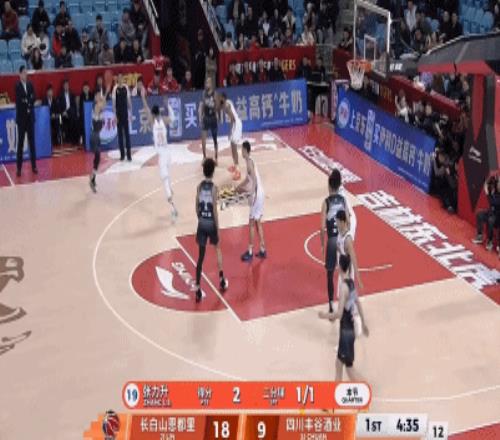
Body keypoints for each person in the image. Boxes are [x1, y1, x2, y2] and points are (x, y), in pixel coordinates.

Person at [319, 254, 369, 381]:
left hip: (346, 331)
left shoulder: (344, 288)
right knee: (340, 365)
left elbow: (339, 314)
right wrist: (363, 324)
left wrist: (324, 316)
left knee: (349, 369)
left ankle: (364, 387)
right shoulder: (351, 283)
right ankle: (342, 391)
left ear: (340, 267)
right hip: (350, 329)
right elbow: (358, 303)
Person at [139, 89, 179, 220]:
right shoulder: (164, 120)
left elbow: (146, 108)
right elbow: (173, 118)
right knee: (167, 178)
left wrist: (143, 98)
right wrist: (168, 105)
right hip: (168, 153)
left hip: (162, 156)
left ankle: (173, 209)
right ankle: (170, 192)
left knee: (165, 181)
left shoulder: (153, 122)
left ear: (152, 113)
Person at [194, 158, 229, 302]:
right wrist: (217, 227)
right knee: (217, 248)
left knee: (200, 257)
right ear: (213, 172)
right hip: (212, 223)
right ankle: (221, 279)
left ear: (203, 172)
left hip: (202, 223)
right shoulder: (214, 188)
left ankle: (197, 287)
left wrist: (200, 219)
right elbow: (214, 209)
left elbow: (196, 207)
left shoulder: (199, 187)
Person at [320, 169, 349, 314]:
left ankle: (331, 304)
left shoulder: (326, 203)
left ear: (329, 186)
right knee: (345, 274)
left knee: (330, 274)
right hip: (342, 241)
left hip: (332, 241)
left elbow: (322, 227)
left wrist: (321, 244)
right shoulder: (343, 200)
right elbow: (348, 222)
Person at [237, 141, 267, 261]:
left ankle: (250, 252)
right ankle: (263, 250)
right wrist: (239, 187)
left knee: (251, 223)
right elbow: (247, 179)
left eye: (242, 150)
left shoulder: (249, 163)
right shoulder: (251, 161)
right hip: (260, 193)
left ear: (245, 150)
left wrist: (251, 193)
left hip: (256, 194)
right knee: (258, 222)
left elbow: (253, 179)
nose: (241, 152)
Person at [15, 66, 37, 176]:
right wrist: (28, 101)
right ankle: (19, 168)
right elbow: (20, 100)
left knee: (32, 142)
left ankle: (34, 166)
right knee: (20, 143)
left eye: (26, 73)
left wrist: (28, 101)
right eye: (23, 73)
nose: (25, 75)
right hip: (22, 119)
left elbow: (34, 96)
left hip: (30, 118)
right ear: (20, 74)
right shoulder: (17, 86)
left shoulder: (30, 84)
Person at [472, 176, 500, 251]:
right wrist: (487, 184)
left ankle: (490, 241)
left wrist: (487, 193)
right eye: (498, 182)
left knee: (490, 220)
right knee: (479, 214)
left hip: (497, 217)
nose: (498, 184)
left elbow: (494, 203)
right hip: (491, 212)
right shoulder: (495, 190)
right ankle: (480, 236)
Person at [219, 93, 242, 180]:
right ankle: (235, 165)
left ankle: (238, 171)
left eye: (221, 98)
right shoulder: (227, 102)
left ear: (223, 98)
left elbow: (233, 119)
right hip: (236, 124)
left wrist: (230, 131)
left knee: (234, 148)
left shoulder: (226, 106)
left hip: (236, 125)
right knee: (232, 147)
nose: (219, 99)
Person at [112, 72, 132, 161]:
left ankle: (129, 155)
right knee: (120, 135)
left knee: (127, 135)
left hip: (125, 113)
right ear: (117, 79)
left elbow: (129, 102)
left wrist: (130, 114)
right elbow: (113, 104)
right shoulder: (115, 89)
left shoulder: (126, 87)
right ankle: (122, 155)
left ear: (123, 79)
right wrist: (115, 116)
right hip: (118, 114)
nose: (120, 79)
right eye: (118, 78)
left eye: (121, 77)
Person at [198, 77, 219, 163]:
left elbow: (217, 106)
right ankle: (204, 157)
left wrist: (217, 115)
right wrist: (200, 117)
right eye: (206, 82)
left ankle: (216, 157)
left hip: (213, 118)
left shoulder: (215, 93)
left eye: (209, 82)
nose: (207, 84)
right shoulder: (203, 93)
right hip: (206, 118)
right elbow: (202, 105)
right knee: (203, 139)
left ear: (211, 84)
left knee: (215, 139)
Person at [89, 95, 105, 193]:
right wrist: (101, 98)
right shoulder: (94, 109)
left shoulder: (101, 111)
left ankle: (93, 178)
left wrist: (103, 97)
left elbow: (103, 105)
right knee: (97, 156)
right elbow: (99, 105)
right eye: (97, 97)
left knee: (97, 158)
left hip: (97, 136)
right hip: (94, 136)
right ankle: (92, 179)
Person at [58, 78, 78, 144]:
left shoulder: (72, 94)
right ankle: (71, 139)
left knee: (73, 115)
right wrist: (63, 112)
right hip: (64, 113)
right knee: (71, 117)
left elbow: (74, 106)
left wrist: (68, 112)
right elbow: (59, 107)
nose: (66, 86)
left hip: (71, 112)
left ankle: (73, 139)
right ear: (63, 86)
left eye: (67, 85)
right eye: (65, 85)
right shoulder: (60, 95)